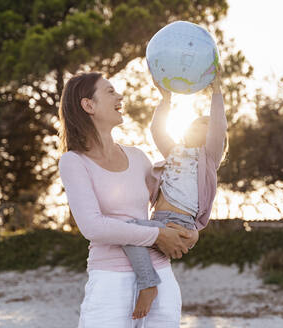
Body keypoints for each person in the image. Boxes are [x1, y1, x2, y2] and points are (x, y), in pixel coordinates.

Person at [57, 72, 199, 327]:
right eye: (110, 92)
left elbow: (171, 202)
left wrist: (192, 230)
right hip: (111, 281)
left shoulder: (138, 157)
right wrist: (158, 236)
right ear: (88, 105)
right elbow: (94, 227)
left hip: (162, 276)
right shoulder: (74, 161)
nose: (120, 96)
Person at [123, 65, 227, 319]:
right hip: (157, 221)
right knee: (126, 233)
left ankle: (149, 285)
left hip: (180, 223)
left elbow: (219, 127)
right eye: (195, 122)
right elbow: (157, 130)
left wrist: (217, 91)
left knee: (126, 230)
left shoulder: (208, 158)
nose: (199, 126)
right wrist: (166, 99)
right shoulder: (173, 151)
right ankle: (146, 285)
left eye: (205, 124)